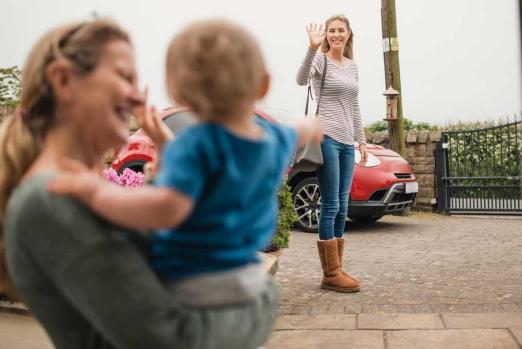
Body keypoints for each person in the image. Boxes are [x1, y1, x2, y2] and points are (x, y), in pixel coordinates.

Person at [0, 18, 280, 349]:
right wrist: (264, 297)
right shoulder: (48, 200)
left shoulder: (66, 192)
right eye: (124, 77)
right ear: (63, 80)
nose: (137, 97)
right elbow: (173, 340)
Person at [49, 18, 322, 308]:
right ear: (264, 84)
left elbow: (165, 208)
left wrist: (95, 192)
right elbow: (298, 132)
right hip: (245, 278)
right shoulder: (274, 139)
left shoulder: (194, 145)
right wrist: (310, 125)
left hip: (192, 280)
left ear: (175, 90)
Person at [296, 14, 366, 293]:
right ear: (326, 35)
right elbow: (301, 80)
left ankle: (336, 268)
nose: (336, 34)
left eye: (341, 30)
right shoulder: (320, 60)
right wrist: (312, 48)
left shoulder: (352, 66)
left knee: (343, 206)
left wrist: (361, 140)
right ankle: (330, 273)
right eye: (331, 31)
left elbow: (355, 105)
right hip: (326, 138)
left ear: (349, 34)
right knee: (331, 205)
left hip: (348, 142)